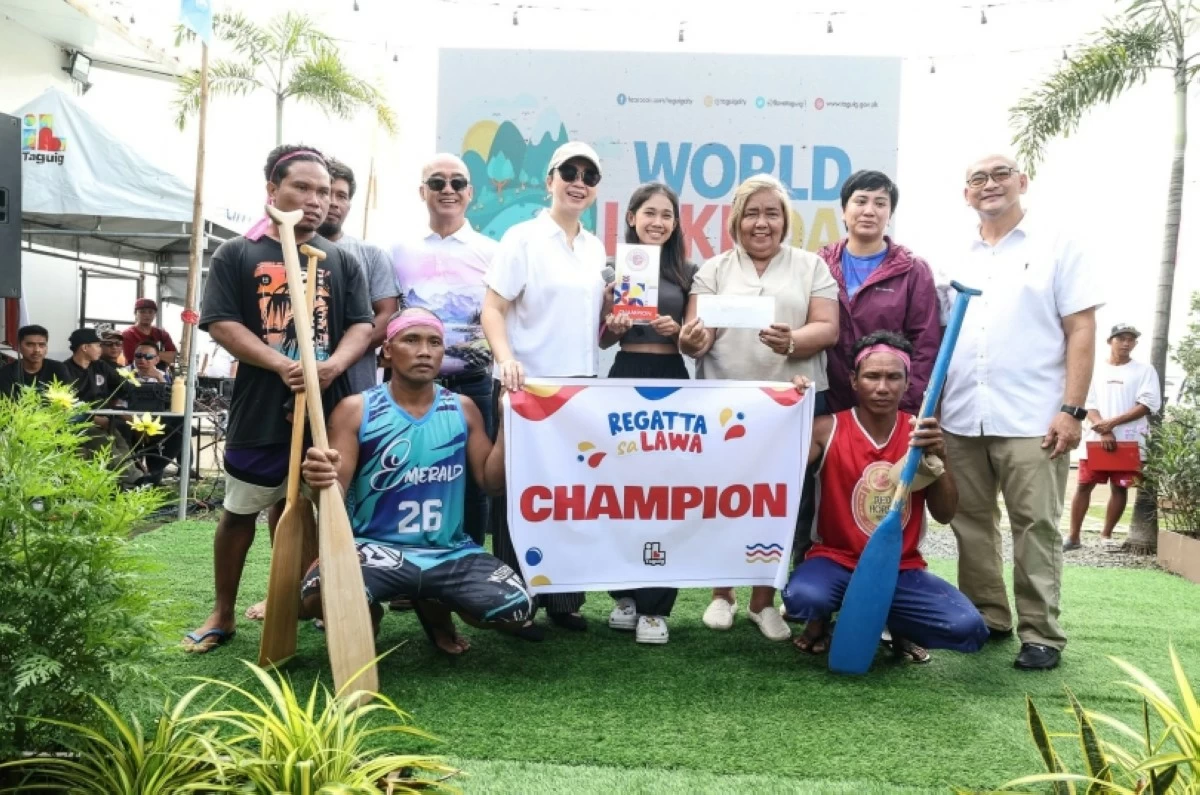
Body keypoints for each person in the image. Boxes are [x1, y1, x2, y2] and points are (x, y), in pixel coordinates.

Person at [183, 144, 374, 653]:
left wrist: (334, 364)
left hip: (328, 408)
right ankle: (223, 612)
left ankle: (313, 602)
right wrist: (280, 364)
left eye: (325, 192)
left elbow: (362, 323)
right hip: (260, 408)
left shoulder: (341, 260)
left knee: (323, 505)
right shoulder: (238, 254)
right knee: (240, 510)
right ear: (273, 191)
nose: (316, 201)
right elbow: (221, 322)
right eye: (303, 188)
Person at [938, 154, 1102, 671]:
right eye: (977, 179)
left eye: (1000, 174)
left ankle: (1041, 633)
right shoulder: (951, 256)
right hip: (961, 415)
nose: (989, 185)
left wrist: (1071, 409)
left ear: (1022, 182)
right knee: (970, 523)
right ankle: (988, 617)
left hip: (1035, 417)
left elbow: (1081, 328)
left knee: (1036, 525)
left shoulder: (1058, 246)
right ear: (966, 194)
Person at [300, 308, 531, 652]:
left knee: (515, 610)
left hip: (447, 553)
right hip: (373, 550)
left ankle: (433, 604)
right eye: (412, 340)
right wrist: (316, 481)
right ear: (388, 352)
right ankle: (370, 611)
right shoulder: (355, 409)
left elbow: (491, 484)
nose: (425, 350)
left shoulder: (462, 408)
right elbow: (332, 494)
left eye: (434, 342)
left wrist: (506, 423)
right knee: (315, 598)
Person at [679, 173, 839, 642]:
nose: (762, 222)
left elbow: (827, 328)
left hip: (789, 403)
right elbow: (698, 334)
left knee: (782, 501)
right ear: (736, 220)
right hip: (725, 403)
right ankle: (721, 595)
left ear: (785, 220)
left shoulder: (811, 266)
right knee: (723, 499)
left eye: (772, 213)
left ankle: (763, 601)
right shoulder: (714, 269)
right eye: (752, 212)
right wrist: (693, 339)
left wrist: (794, 340)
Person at [781, 331, 989, 661]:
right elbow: (780, 467)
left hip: (899, 568)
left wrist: (941, 459)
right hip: (834, 560)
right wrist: (792, 405)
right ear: (853, 380)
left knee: (968, 628)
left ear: (908, 383)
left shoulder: (920, 434)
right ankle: (822, 620)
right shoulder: (826, 428)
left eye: (893, 377)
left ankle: (895, 624)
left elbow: (945, 514)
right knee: (804, 598)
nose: (882, 387)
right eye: (872, 376)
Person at [481, 140, 609, 634]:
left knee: (568, 494)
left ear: (595, 190)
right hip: (527, 389)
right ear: (549, 180)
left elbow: (589, 322)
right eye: (569, 172)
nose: (579, 182)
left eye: (589, 176)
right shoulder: (522, 238)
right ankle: (513, 600)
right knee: (519, 494)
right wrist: (507, 360)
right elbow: (493, 308)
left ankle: (563, 600)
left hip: (577, 393)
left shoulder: (595, 246)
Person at [600, 182, 695, 645]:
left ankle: (657, 606)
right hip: (625, 373)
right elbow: (600, 339)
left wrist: (679, 331)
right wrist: (612, 323)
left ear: (676, 223)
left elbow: (696, 342)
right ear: (633, 216)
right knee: (621, 491)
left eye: (667, 215)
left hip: (671, 375)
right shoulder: (613, 269)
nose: (658, 221)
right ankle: (625, 596)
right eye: (650, 213)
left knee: (667, 493)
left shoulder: (688, 271)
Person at [392, 153, 499, 546]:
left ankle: (467, 565)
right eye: (437, 183)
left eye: (457, 183)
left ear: (470, 192)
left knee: (475, 479)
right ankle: (406, 563)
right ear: (423, 192)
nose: (448, 190)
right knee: (408, 472)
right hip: (408, 386)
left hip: (473, 383)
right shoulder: (398, 251)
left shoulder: (493, 251)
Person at [817, 170, 939, 414]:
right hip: (829, 405)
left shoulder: (913, 270)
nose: (869, 211)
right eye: (860, 201)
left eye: (880, 203)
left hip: (889, 408)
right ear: (843, 210)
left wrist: (904, 406)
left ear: (890, 214)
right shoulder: (818, 264)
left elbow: (925, 344)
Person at [1064, 324, 1161, 551]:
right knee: (1084, 484)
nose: (1126, 343)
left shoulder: (1144, 370)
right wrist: (1104, 429)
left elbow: (1147, 404)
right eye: (1121, 339)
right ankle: (1073, 536)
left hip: (1130, 440)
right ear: (1110, 341)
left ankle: (1106, 536)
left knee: (1120, 487)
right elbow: (1087, 403)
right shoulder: (1095, 369)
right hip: (1096, 439)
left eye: (1131, 339)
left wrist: (1113, 423)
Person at [318, 157, 401, 394]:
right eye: (327, 192)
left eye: (342, 196)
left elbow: (387, 316)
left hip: (355, 388)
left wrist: (340, 354)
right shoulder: (282, 253)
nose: (334, 203)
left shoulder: (371, 255)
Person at [62, 327, 138, 488]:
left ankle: (132, 482)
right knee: (107, 446)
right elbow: (66, 406)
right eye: (97, 345)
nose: (100, 349)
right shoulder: (64, 370)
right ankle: (137, 481)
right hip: (82, 424)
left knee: (122, 445)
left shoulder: (101, 367)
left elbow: (124, 387)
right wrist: (92, 418)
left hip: (106, 420)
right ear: (85, 347)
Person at [0, 324, 71, 395]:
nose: (37, 350)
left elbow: (65, 399)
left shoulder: (58, 369)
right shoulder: (7, 373)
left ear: (46, 348)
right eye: (30, 345)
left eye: (41, 345)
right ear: (19, 347)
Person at [121, 298, 177, 368]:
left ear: (155, 314)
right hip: (136, 374)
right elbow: (133, 358)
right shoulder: (128, 334)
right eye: (142, 312)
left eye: (150, 312)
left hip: (160, 373)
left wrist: (147, 354)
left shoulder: (162, 334)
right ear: (135, 313)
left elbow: (173, 357)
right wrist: (162, 355)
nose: (147, 315)